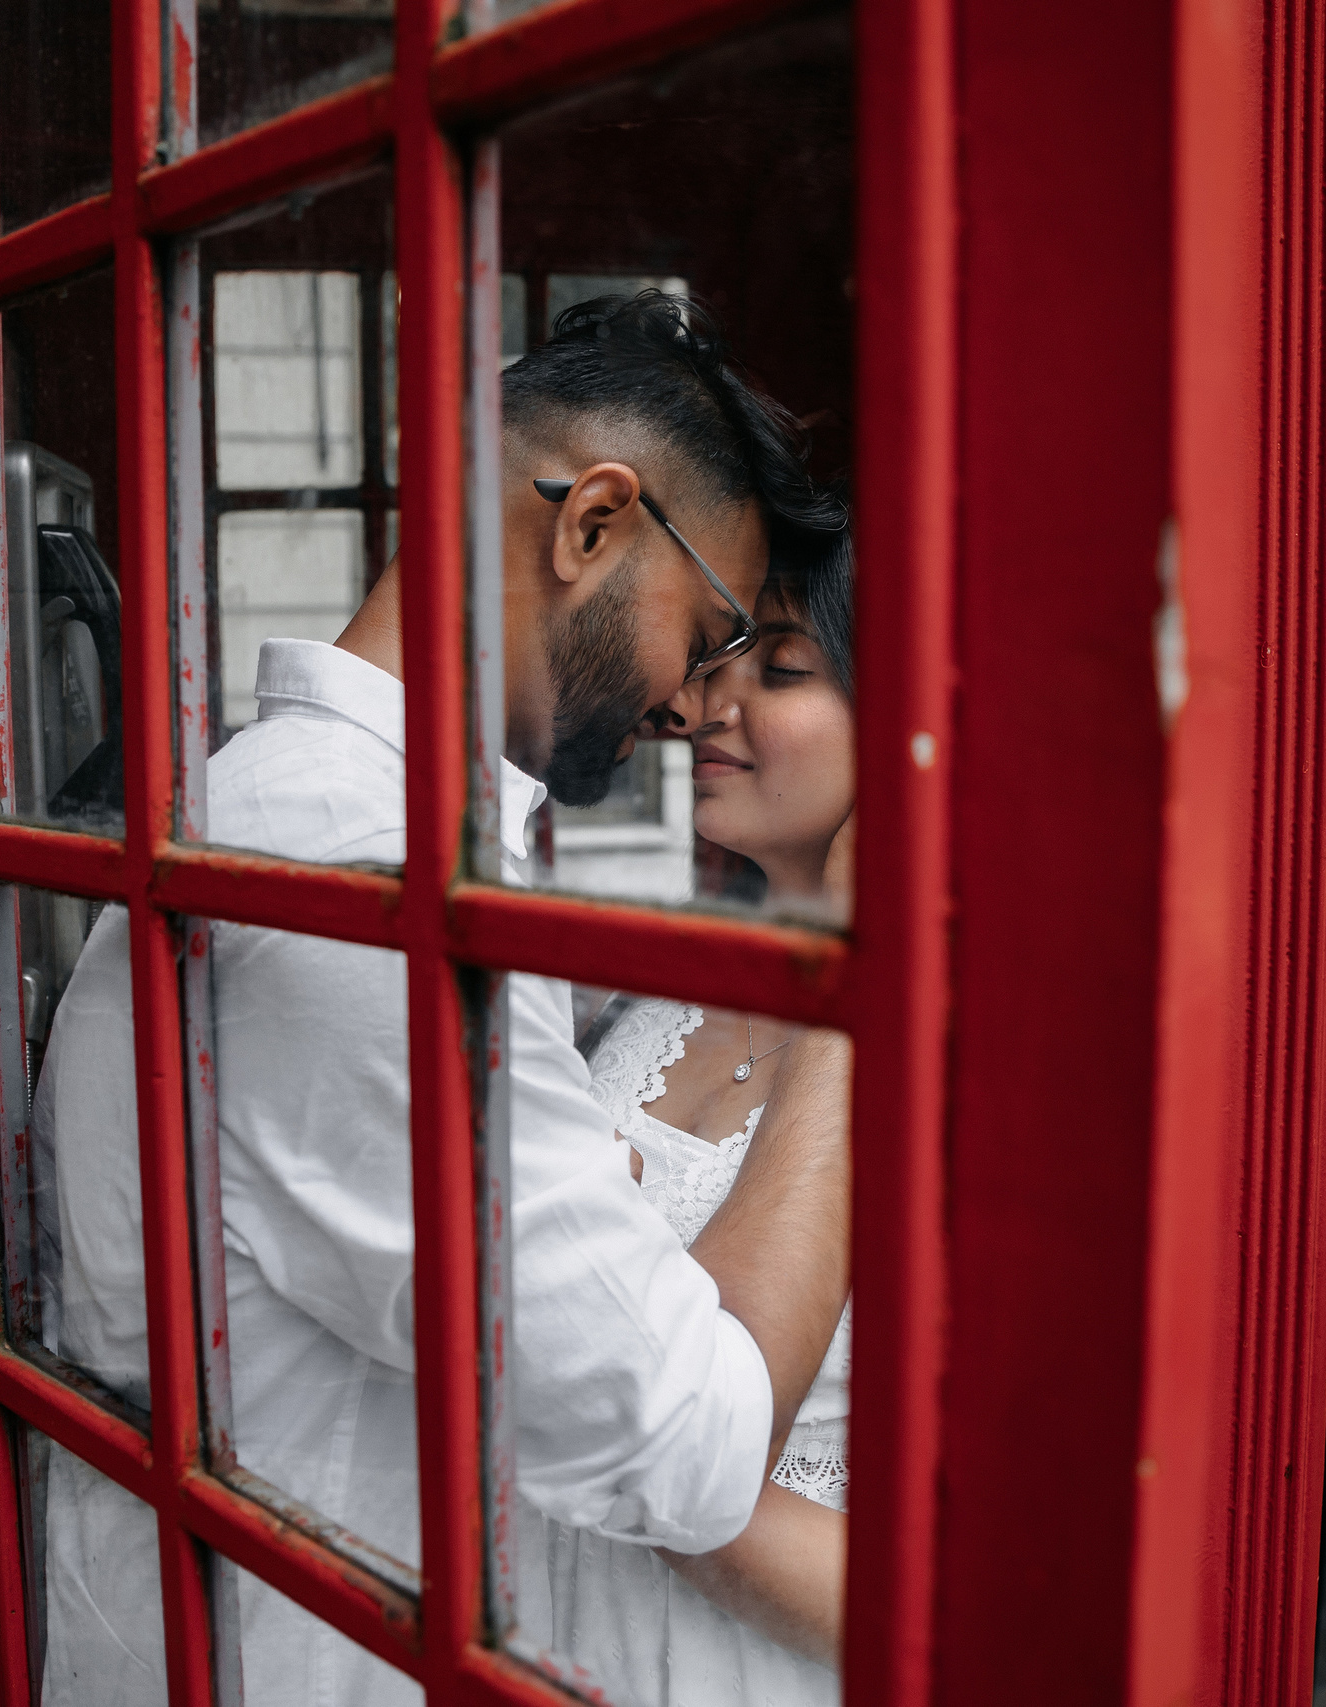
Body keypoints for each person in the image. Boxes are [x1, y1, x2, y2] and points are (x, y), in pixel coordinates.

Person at [28, 292, 854, 1706]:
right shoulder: (366, 874)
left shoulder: (278, 809)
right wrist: (852, 959)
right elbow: (686, 1445)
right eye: (710, 625)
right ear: (593, 524)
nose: (684, 703)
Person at [550, 526, 858, 1703]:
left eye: (780, 669)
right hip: (553, 1633)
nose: (697, 705)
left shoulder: (996, 1064)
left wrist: (631, 1461)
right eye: (713, 660)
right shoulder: (673, 981)